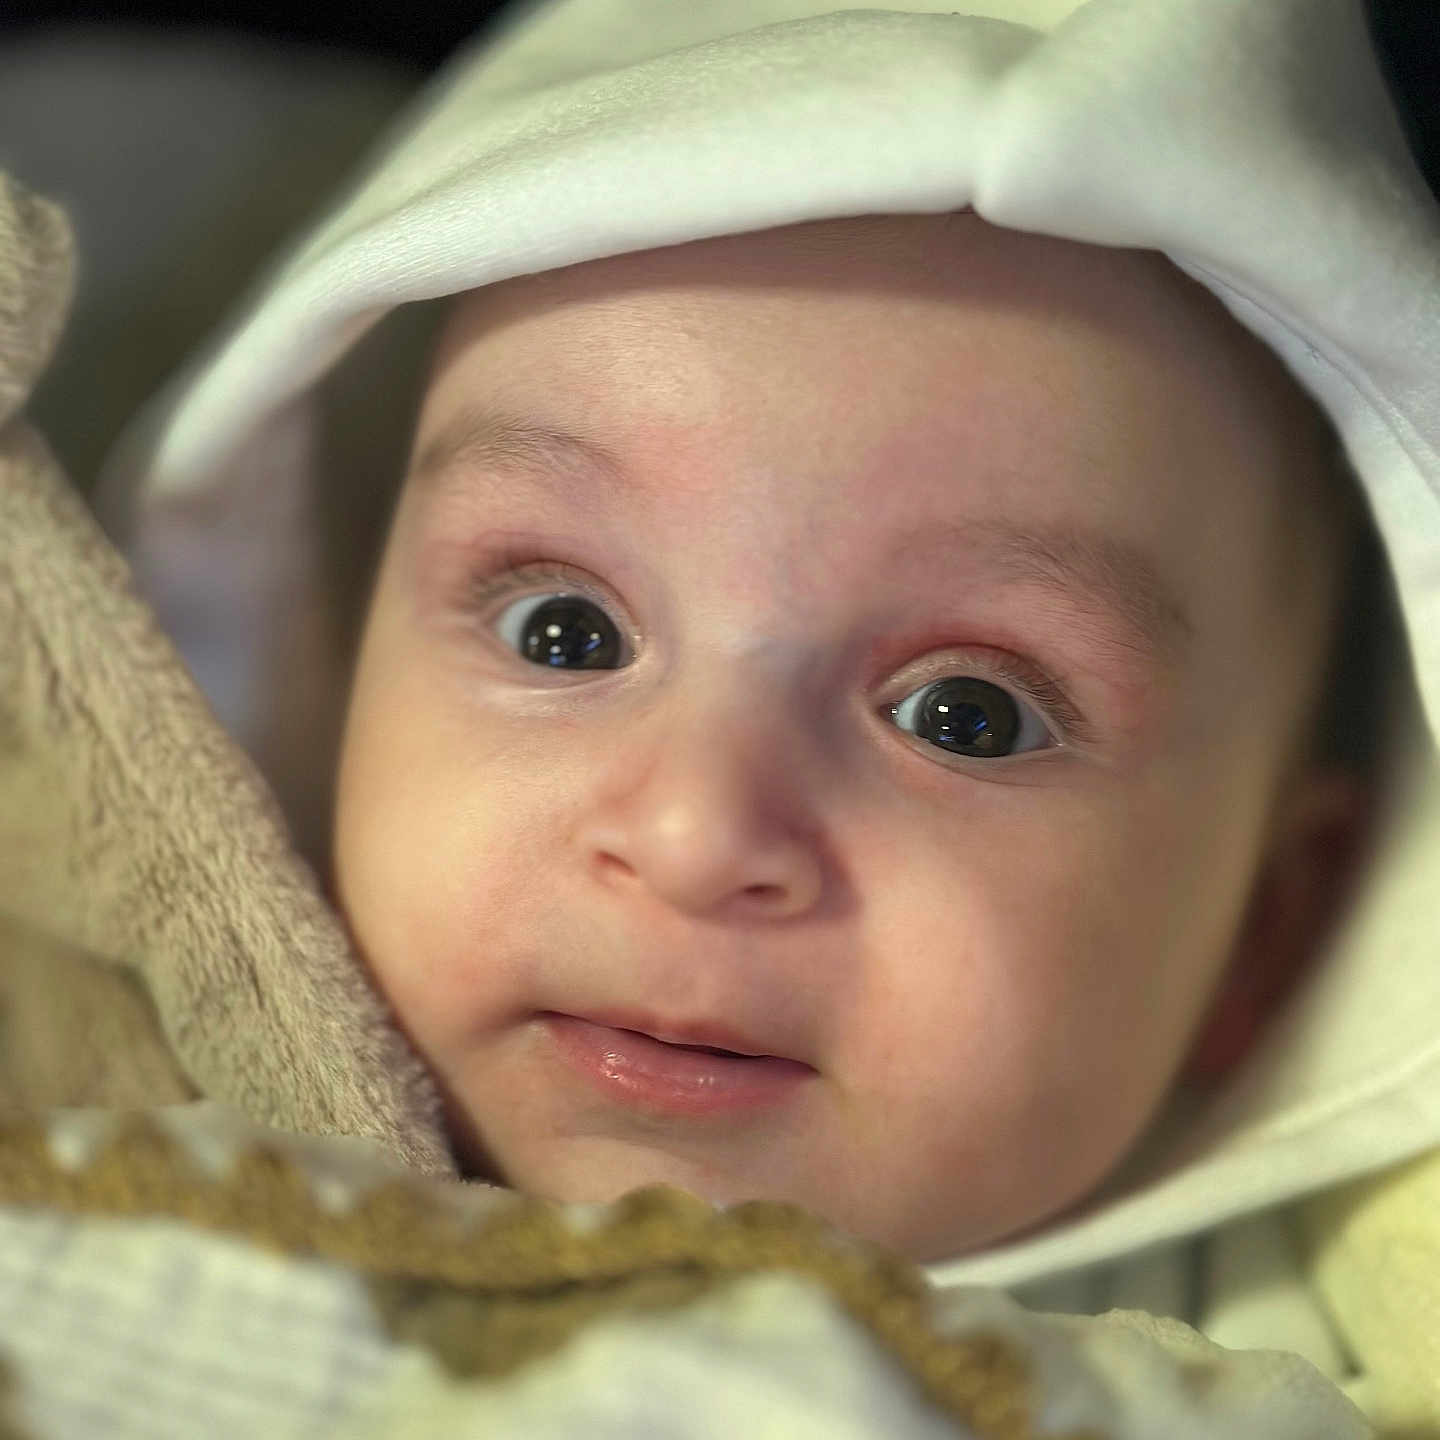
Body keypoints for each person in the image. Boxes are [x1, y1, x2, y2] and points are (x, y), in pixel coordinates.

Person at [71, 0, 1440, 1413]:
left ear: (1263, 936)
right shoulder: (98, 1112)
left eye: (964, 715)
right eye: (567, 631)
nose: (695, 831)